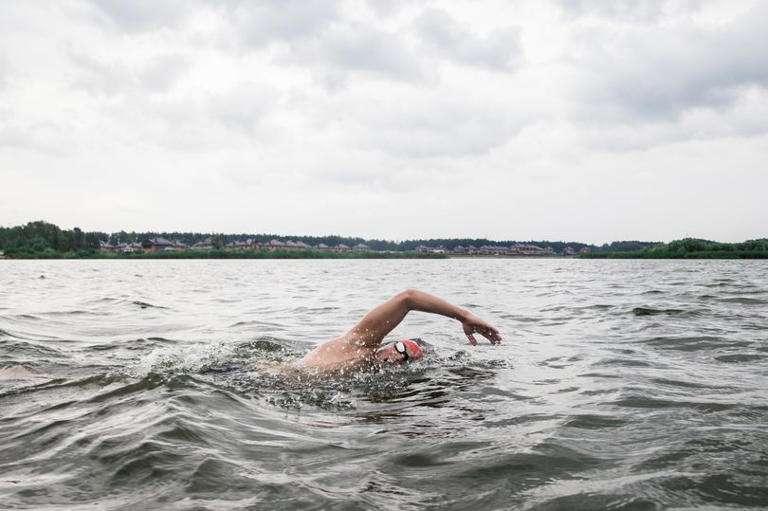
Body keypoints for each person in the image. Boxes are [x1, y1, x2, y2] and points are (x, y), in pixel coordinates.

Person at [297, 289, 501, 371]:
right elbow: (407, 298)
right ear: (389, 344)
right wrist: (463, 316)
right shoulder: (358, 342)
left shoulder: (369, 370)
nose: (396, 357)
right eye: (401, 348)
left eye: (405, 359)